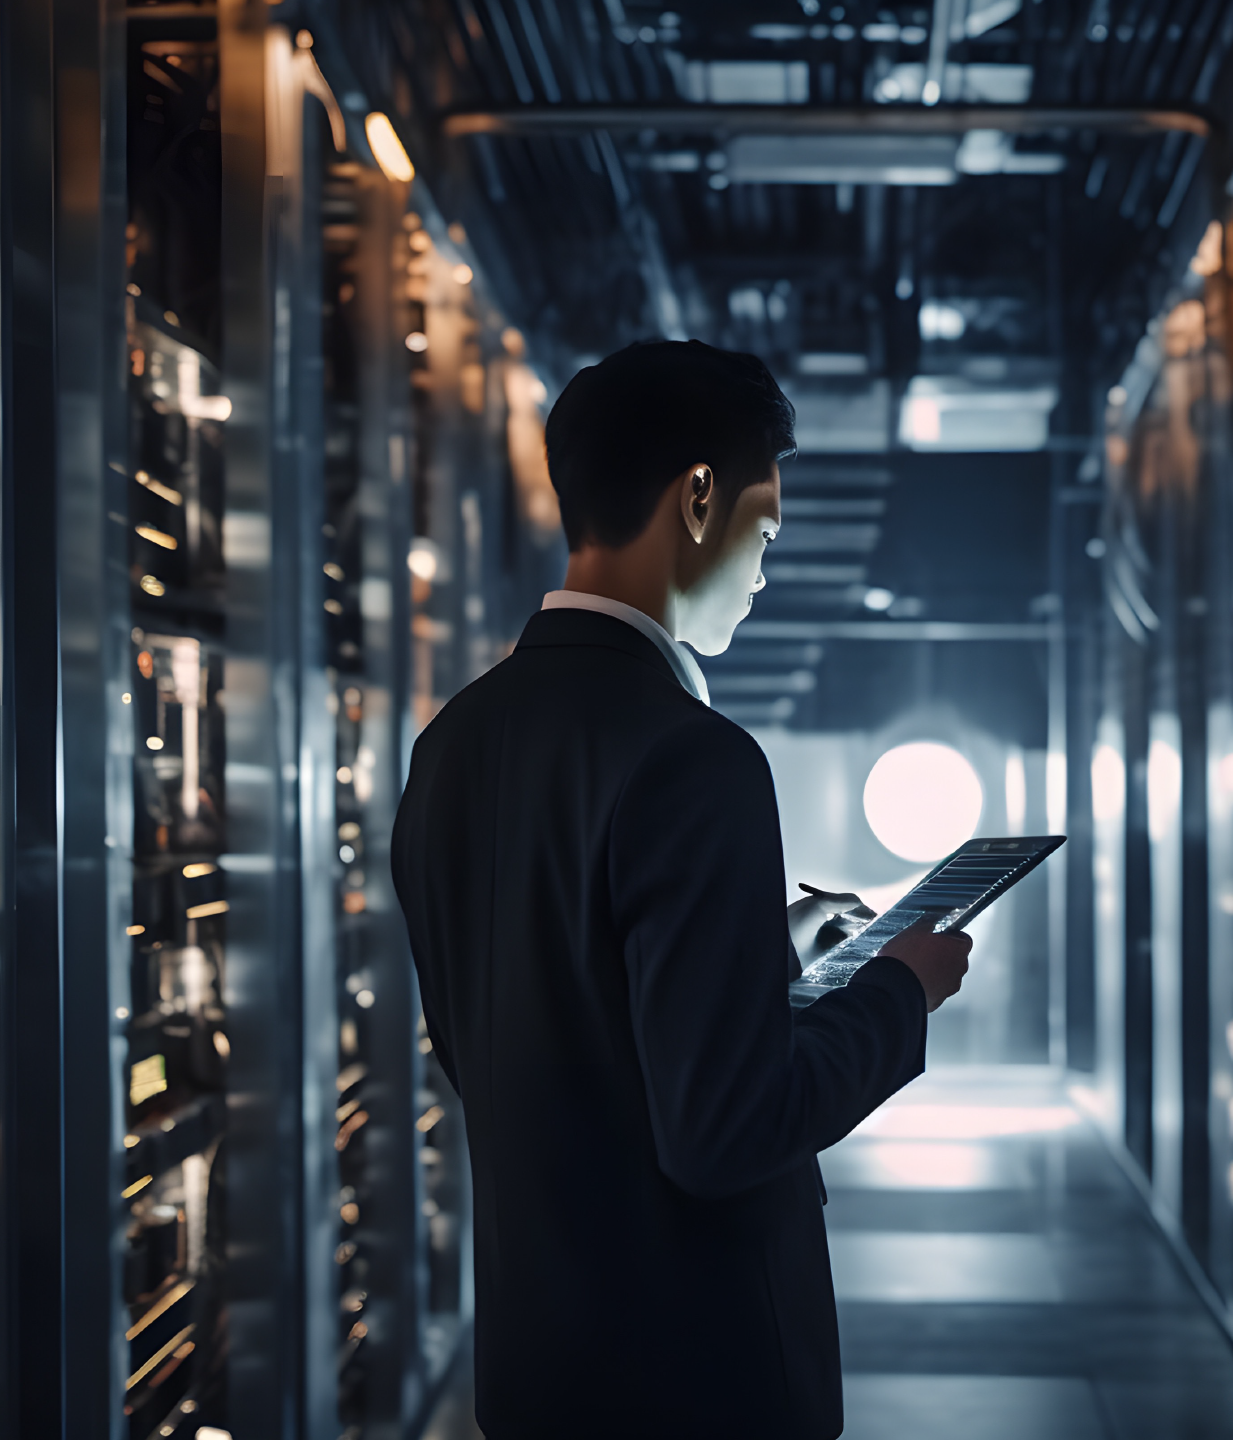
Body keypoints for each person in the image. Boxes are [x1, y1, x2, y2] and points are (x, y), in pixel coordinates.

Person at [392, 339, 973, 1439]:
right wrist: (899, 989)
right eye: (765, 530)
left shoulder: (453, 745)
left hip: (540, 1366)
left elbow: (517, 1039)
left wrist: (763, 954)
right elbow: (725, 1132)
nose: (764, 571)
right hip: (699, 1377)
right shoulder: (695, 756)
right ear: (698, 498)